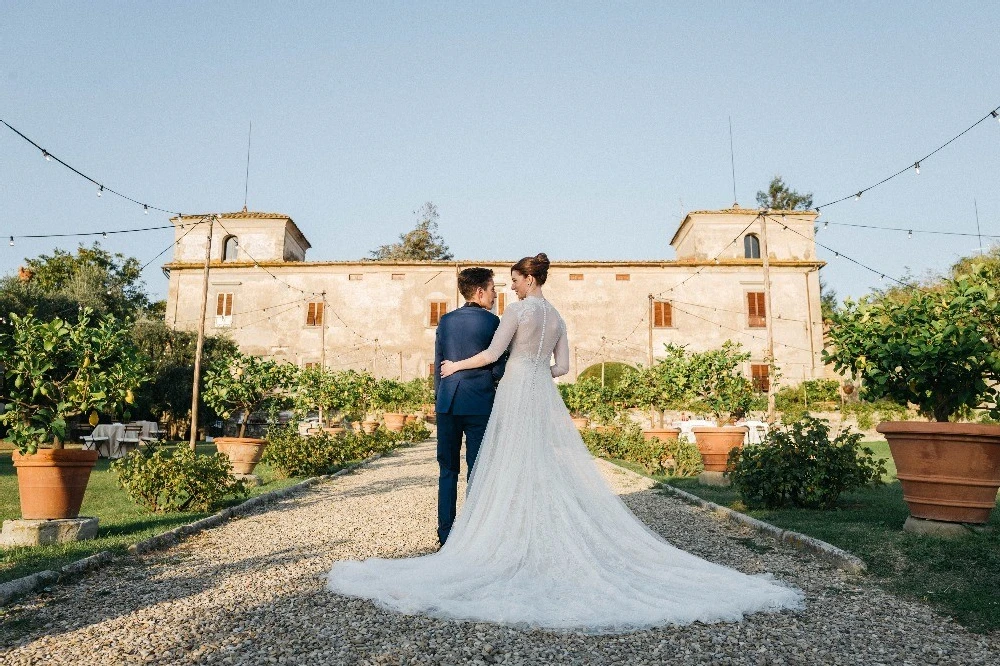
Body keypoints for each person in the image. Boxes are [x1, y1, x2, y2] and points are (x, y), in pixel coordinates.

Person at [328, 253, 803, 632]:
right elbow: (562, 369)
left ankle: (483, 536)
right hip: (539, 390)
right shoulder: (557, 318)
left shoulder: (513, 311)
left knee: (500, 463)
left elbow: (495, 354)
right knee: (532, 464)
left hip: (510, 390)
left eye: (513, 280)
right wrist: (532, 371)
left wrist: (456, 368)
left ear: (527, 281)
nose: (508, 287)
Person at [433, 267, 507, 546]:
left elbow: (439, 365)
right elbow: (498, 367)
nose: (495, 295)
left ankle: (446, 535)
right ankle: (473, 536)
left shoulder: (446, 320)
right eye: (492, 289)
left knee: (447, 470)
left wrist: (439, 399)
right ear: (479, 292)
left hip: (447, 403)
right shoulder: (493, 323)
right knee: (478, 470)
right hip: (480, 404)